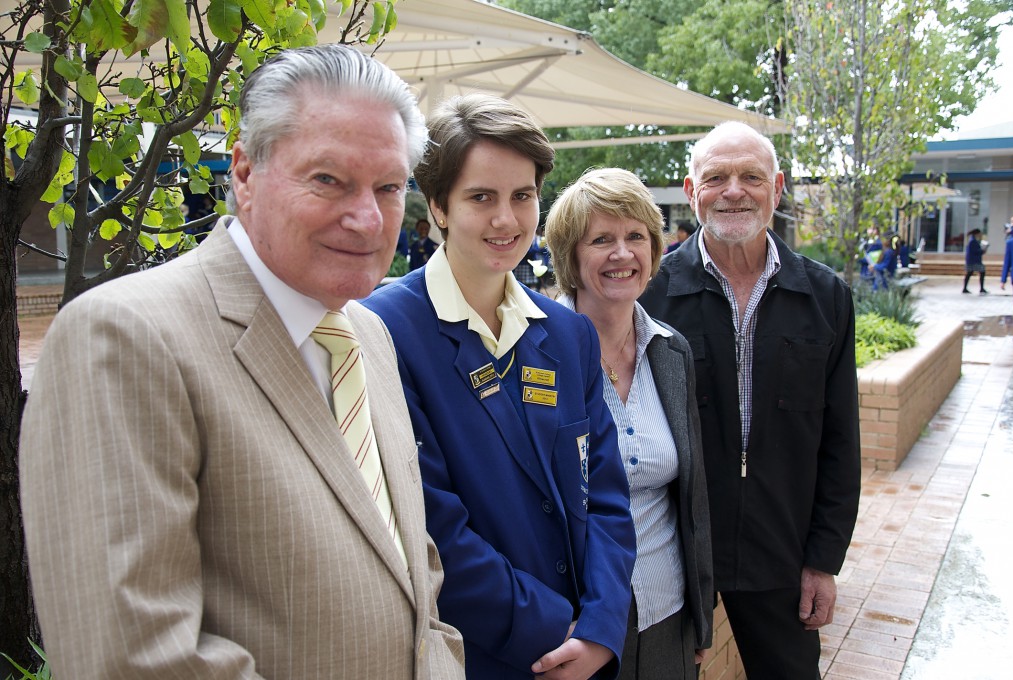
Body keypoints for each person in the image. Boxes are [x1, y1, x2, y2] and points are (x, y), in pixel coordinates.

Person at [19, 44, 464, 679]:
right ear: (245, 173)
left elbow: (411, 568)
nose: (367, 219)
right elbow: (135, 659)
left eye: (389, 187)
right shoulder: (125, 337)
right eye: (328, 179)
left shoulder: (368, 333)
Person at [363, 93, 636, 680]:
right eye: (481, 197)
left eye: (523, 196)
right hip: (475, 656)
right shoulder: (384, 330)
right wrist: (554, 631)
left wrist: (601, 627)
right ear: (437, 205)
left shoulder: (568, 335)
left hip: (584, 651)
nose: (507, 220)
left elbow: (608, 495)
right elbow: (430, 529)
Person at [639, 121, 861, 680]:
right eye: (716, 177)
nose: (734, 191)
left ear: (777, 188)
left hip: (782, 554)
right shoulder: (651, 293)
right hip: (676, 553)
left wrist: (823, 560)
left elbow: (841, 439)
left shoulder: (825, 296)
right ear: (692, 192)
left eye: (751, 177)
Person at [545, 167, 714, 680]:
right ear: (571, 256)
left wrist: (702, 616)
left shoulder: (671, 351)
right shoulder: (536, 355)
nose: (623, 254)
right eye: (602, 239)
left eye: (635, 236)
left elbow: (693, 495)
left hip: (667, 611)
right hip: (578, 621)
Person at [963, 228, 988, 294]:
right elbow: (975, 251)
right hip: (974, 260)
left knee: (970, 273)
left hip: (972, 260)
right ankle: (981, 288)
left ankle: (965, 288)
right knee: (980, 272)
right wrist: (982, 250)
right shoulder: (972, 241)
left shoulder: (973, 240)